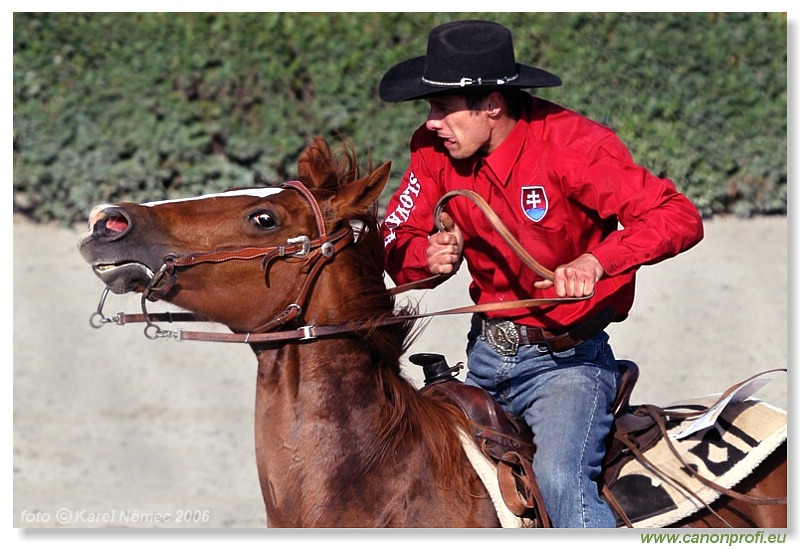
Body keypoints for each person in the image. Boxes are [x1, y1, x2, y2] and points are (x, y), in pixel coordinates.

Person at [378, 19, 704, 528]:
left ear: (492, 105)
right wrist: (424, 256)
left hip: (567, 366)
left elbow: (676, 214)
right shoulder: (432, 149)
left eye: (443, 108)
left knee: (558, 480)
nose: (433, 121)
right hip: (484, 356)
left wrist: (597, 261)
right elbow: (393, 238)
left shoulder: (574, 145)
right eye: (430, 109)